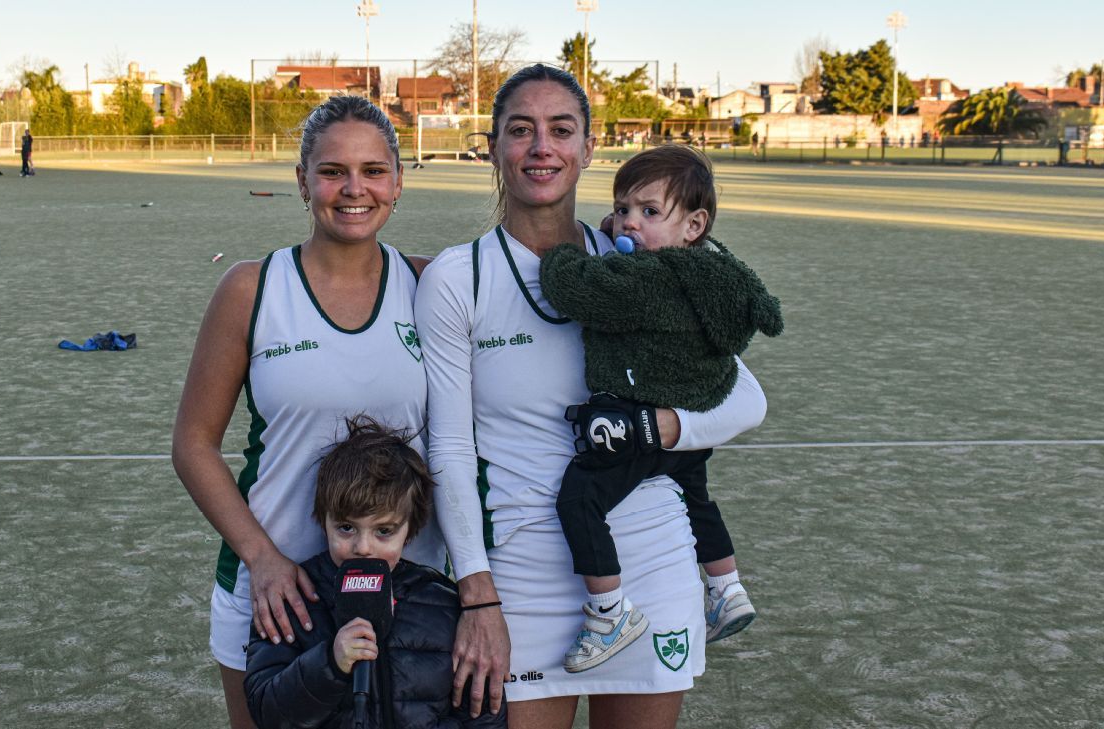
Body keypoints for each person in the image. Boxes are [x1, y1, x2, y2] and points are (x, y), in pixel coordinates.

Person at [415, 64, 767, 728]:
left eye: (561, 129)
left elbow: (744, 399)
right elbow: (451, 449)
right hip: (519, 581)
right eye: (521, 130)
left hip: (652, 566)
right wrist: (477, 593)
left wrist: (653, 429)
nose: (541, 146)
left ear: (588, 148)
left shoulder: (640, 263)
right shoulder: (458, 277)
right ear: (493, 147)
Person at [172, 94, 444, 729]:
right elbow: (193, 445)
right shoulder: (252, 287)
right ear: (302, 181)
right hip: (278, 597)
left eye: (374, 170)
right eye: (332, 171)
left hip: (407, 591)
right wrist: (263, 561)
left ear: (399, 182)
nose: (354, 189)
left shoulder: (432, 286)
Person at [538, 144, 784, 672]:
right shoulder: (714, 271)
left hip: (635, 418)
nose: (629, 224)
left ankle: (609, 612)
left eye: (649, 212)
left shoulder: (645, 280)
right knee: (698, 502)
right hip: (692, 424)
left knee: (580, 499)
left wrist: (562, 251)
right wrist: (638, 224)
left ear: (693, 225)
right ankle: (726, 587)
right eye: (624, 208)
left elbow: (578, 291)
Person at [244, 416, 506, 729]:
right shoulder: (294, 599)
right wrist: (330, 662)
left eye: (384, 531)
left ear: (409, 531)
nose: (363, 547)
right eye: (346, 528)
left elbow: (483, 715)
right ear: (321, 519)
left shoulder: (442, 604)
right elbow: (268, 711)